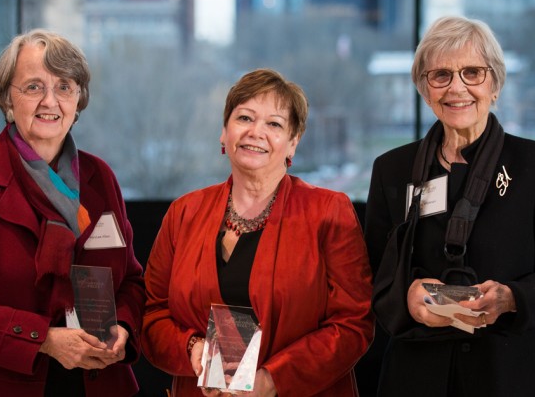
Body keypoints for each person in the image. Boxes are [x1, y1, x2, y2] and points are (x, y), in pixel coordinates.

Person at [365, 16, 535, 396]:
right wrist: (407, 299)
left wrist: (511, 298)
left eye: (472, 73)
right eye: (441, 75)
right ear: (424, 88)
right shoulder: (392, 170)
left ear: (495, 85)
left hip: (517, 375)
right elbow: (372, 279)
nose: (457, 88)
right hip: (419, 377)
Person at [0, 30, 145, 396]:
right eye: (34, 87)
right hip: (1, 383)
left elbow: (131, 282)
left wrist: (122, 326)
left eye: (64, 87)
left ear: (78, 100)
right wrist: (44, 339)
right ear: (8, 97)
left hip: (96, 381)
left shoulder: (100, 178)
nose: (50, 101)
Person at [142, 68, 374, 396]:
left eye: (274, 124)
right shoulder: (184, 213)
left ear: (293, 142)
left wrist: (271, 380)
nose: (256, 132)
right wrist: (194, 349)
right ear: (224, 133)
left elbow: (353, 325)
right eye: (245, 118)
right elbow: (154, 313)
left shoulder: (328, 212)